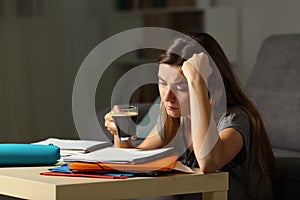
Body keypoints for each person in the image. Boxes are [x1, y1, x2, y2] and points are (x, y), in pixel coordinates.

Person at [104, 32, 276, 200]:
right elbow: (134, 160)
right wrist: (121, 133)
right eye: (162, 83)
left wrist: (196, 80)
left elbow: (209, 162)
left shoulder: (235, 119)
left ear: (209, 86)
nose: (166, 97)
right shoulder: (176, 119)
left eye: (180, 87)